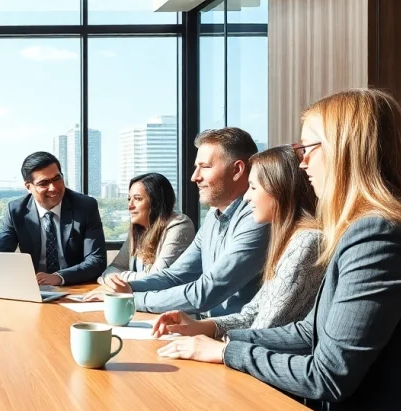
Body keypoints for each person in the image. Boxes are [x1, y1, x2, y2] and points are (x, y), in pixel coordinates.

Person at [157, 89, 401, 411]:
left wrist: (225, 352)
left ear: (346, 150)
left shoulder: (378, 235)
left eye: (308, 148)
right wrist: (213, 334)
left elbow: (328, 375)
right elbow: (309, 332)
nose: (302, 164)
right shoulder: (382, 227)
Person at [86, 127, 269, 317]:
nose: (194, 177)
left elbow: (206, 292)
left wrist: (130, 299)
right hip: (203, 328)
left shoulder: (257, 220)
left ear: (237, 170)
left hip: (232, 336)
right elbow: (176, 275)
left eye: (205, 167)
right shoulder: (213, 218)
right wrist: (125, 288)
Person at [151, 147, 322, 339]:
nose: (247, 196)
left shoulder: (305, 243)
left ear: (280, 190)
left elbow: (263, 331)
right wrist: (201, 326)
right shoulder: (288, 241)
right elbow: (252, 315)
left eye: (253, 187)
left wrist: (217, 349)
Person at [0, 151, 107, 285]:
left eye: (57, 179)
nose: (53, 188)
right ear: (28, 187)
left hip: (75, 285)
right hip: (35, 286)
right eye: (44, 183)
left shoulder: (85, 206)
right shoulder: (16, 211)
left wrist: (59, 277)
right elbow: (0, 257)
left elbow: (97, 261)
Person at [97, 172, 194, 284]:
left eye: (137, 199)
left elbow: (157, 278)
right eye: (129, 199)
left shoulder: (180, 225)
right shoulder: (138, 229)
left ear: (156, 202)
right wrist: (112, 277)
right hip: (138, 299)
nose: (130, 206)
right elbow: (115, 267)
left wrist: (117, 278)